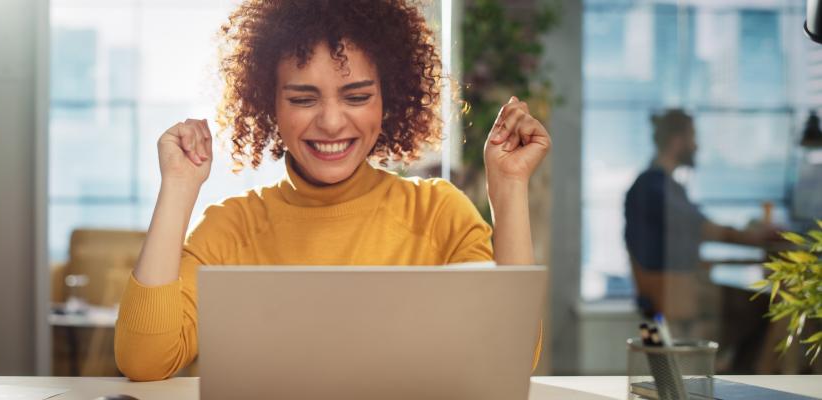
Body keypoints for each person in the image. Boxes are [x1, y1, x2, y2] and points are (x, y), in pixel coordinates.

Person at [114, 0, 551, 381]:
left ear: (388, 101)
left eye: (356, 97)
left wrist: (508, 189)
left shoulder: (437, 213)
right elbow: (146, 361)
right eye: (304, 99)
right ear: (271, 105)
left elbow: (508, 358)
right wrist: (178, 186)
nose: (331, 122)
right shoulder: (231, 227)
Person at [624, 109, 773, 334]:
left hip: (675, 285)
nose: (697, 146)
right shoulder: (654, 187)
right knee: (768, 307)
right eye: (693, 137)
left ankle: (731, 364)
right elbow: (702, 228)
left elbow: (692, 230)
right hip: (673, 290)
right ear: (677, 141)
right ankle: (747, 367)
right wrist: (754, 237)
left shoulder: (662, 185)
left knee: (756, 306)